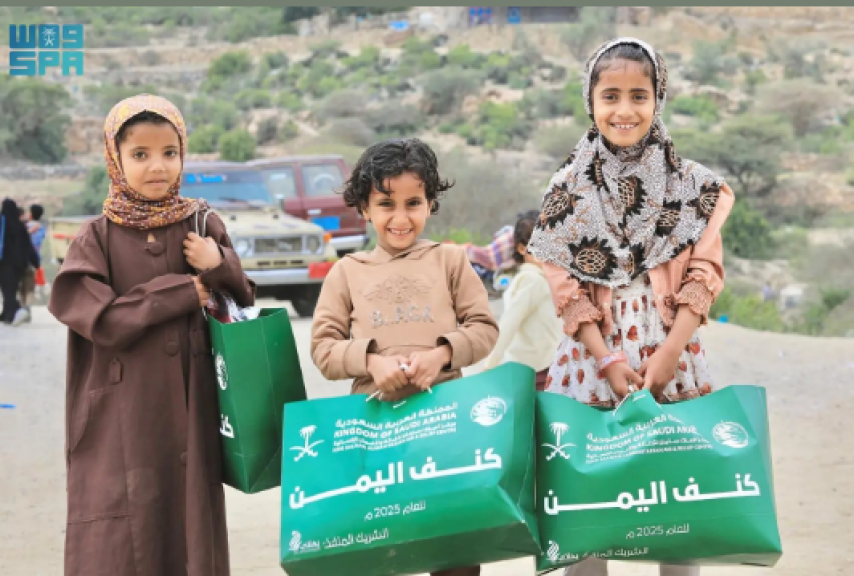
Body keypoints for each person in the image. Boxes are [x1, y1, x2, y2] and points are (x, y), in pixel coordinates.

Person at [526, 38, 735, 576]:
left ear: (658, 98)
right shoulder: (566, 189)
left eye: (639, 96)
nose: (624, 110)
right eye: (611, 96)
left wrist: (669, 353)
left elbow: (704, 275)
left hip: (672, 359)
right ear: (590, 101)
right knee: (586, 513)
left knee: (676, 509)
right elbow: (567, 292)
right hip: (592, 365)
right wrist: (608, 360)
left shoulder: (694, 187)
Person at [47, 94, 255, 576]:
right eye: (140, 154)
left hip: (193, 404)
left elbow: (243, 298)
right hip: (124, 411)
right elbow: (101, 319)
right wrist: (183, 291)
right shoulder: (95, 238)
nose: (157, 166)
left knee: (189, 526)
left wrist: (218, 264)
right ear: (115, 159)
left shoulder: (202, 224)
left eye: (169, 152)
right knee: (124, 535)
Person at [310, 137, 499, 576]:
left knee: (454, 550)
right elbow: (323, 348)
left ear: (430, 203)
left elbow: (484, 328)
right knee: (380, 551)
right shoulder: (346, 272)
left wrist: (442, 356)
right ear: (364, 208)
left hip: (446, 428)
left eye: (413, 203)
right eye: (386, 204)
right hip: (374, 433)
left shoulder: (450, 260)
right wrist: (372, 363)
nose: (400, 217)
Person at [482, 210, 563, 390]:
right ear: (521, 248)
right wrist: (490, 364)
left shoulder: (536, 278)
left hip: (538, 364)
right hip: (537, 367)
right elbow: (509, 322)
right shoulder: (533, 281)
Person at [0, 198, 40, 325]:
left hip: (4, 263)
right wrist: (35, 262)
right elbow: (28, 246)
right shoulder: (20, 226)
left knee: (7, 290)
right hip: (19, 265)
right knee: (11, 289)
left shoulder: (2, 225)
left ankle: (16, 311)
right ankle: (7, 313)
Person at [17, 203, 47, 318]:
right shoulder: (41, 228)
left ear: (31, 214)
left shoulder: (24, 227)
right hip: (34, 260)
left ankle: (22, 310)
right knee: (30, 287)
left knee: (21, 287)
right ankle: (27, 310)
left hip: (21, 259)